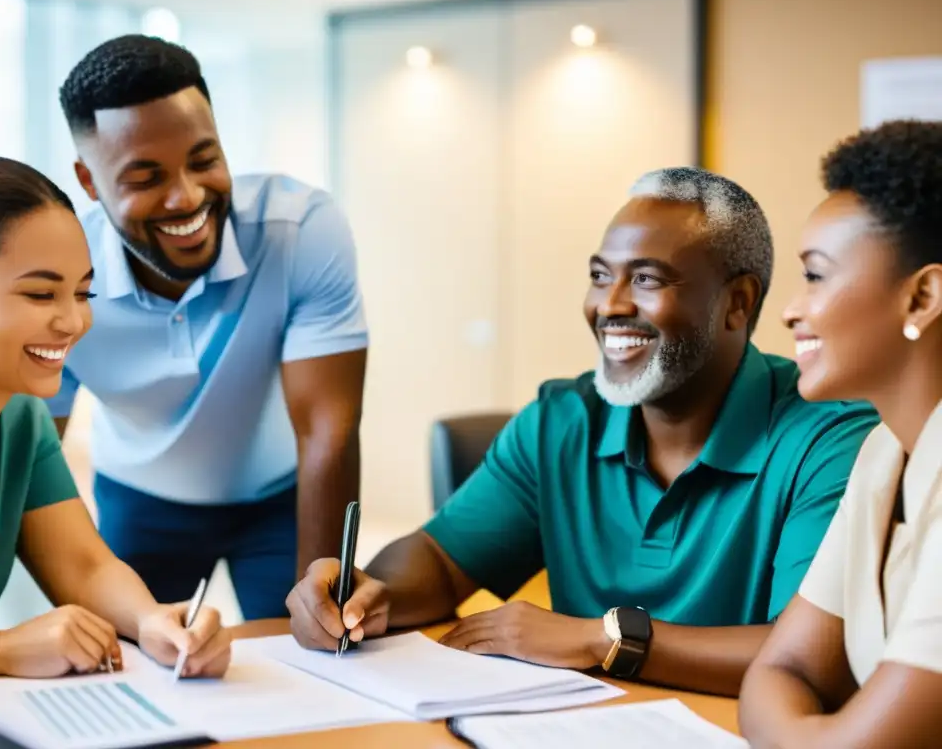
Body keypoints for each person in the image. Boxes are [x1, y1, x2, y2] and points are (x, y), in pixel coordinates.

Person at [286, 167, 880, 697]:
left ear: (737, 304)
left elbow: (808, 657)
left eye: (646, 279)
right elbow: (439, 561)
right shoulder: (561, 420)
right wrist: (366, 594)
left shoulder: (830, 438)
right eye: (601, 276)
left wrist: (602, 639)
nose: (609, 305)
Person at [50, 35, 368, 620]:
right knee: (133, 673)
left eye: (204, 160)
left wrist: (325, 591)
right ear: (89, 182)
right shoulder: (62, 270)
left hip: (280, 499)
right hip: (140, 503)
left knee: (311, 659)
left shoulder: (301, 228)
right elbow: (36, 452)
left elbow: (329, 427)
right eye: (145, 178)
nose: (188, 197)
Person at [0, 154, 230, 685]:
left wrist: (150, 620)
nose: (72, 322)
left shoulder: (20, 417)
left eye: (83, 293)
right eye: (41, 294)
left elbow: (84, 566)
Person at [739, 120, 942, 746]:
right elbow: (783, 667)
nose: (789, 309)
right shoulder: (884, 452)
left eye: (817, 275)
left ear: (922, 296)